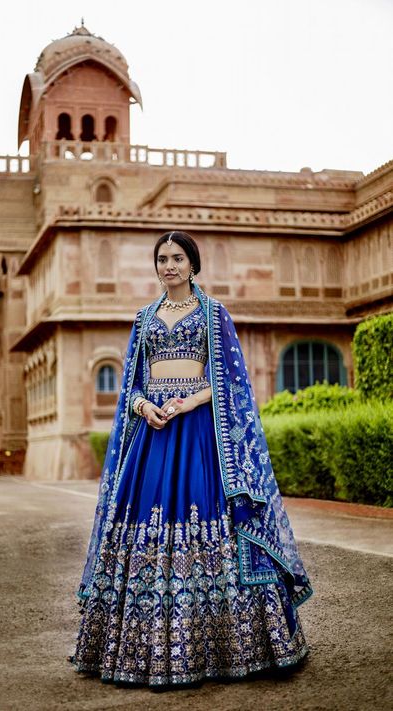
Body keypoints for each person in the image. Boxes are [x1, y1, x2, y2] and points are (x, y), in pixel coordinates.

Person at [67, 231, 312, 688]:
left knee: (208, 513)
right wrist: (146, 408)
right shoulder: (143, 320)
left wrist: (189, 402)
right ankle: (140, 648)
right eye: (162, 259)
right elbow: (132, 386)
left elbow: (231, 384)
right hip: (154, 436)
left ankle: (231, 645)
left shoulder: (214, 315)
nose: (170, 266)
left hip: (201, 434)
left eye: (178, 258)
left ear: (193, 264)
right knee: (147, 519)